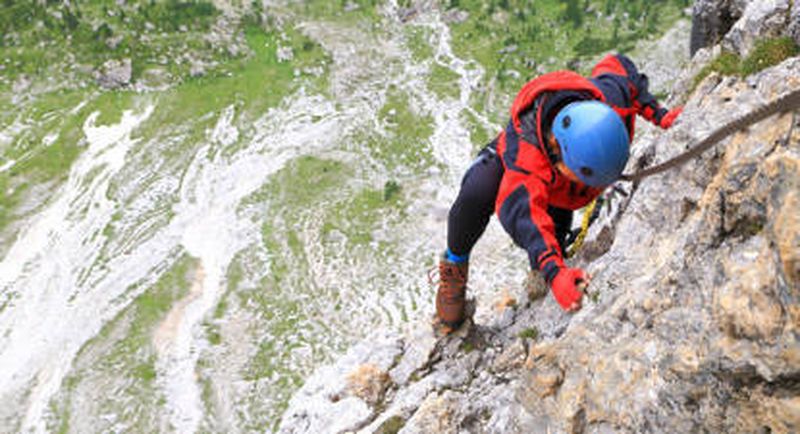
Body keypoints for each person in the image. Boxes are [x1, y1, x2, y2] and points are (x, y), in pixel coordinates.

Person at [435, 53, 682, 330]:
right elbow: (523, 213)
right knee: (477, 191)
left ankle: (542, 267)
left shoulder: (606, 106)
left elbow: (620, 66)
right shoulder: (528, 162)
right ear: (556, 151)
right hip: (515, 163)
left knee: (553, 240)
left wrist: (661, 115)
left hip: (562, 185)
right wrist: (555, 271)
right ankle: (454, 271)